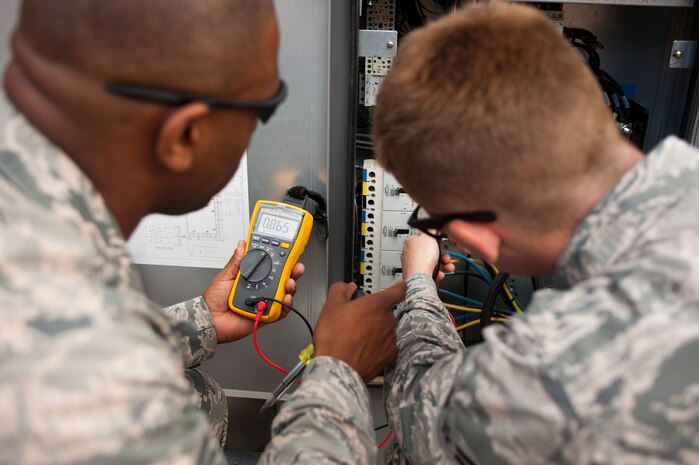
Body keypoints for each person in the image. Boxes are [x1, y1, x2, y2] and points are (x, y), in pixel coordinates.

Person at [262, 2, 699, 465]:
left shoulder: (555, 367)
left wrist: (366, 337)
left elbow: (427, 415)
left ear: (474, 231)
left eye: (434, 221)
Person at [0, 0, 310, 463]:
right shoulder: (104, 389)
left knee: (196, 391)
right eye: (264, 108)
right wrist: (339, 375)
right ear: (185, 135)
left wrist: (202, 318)